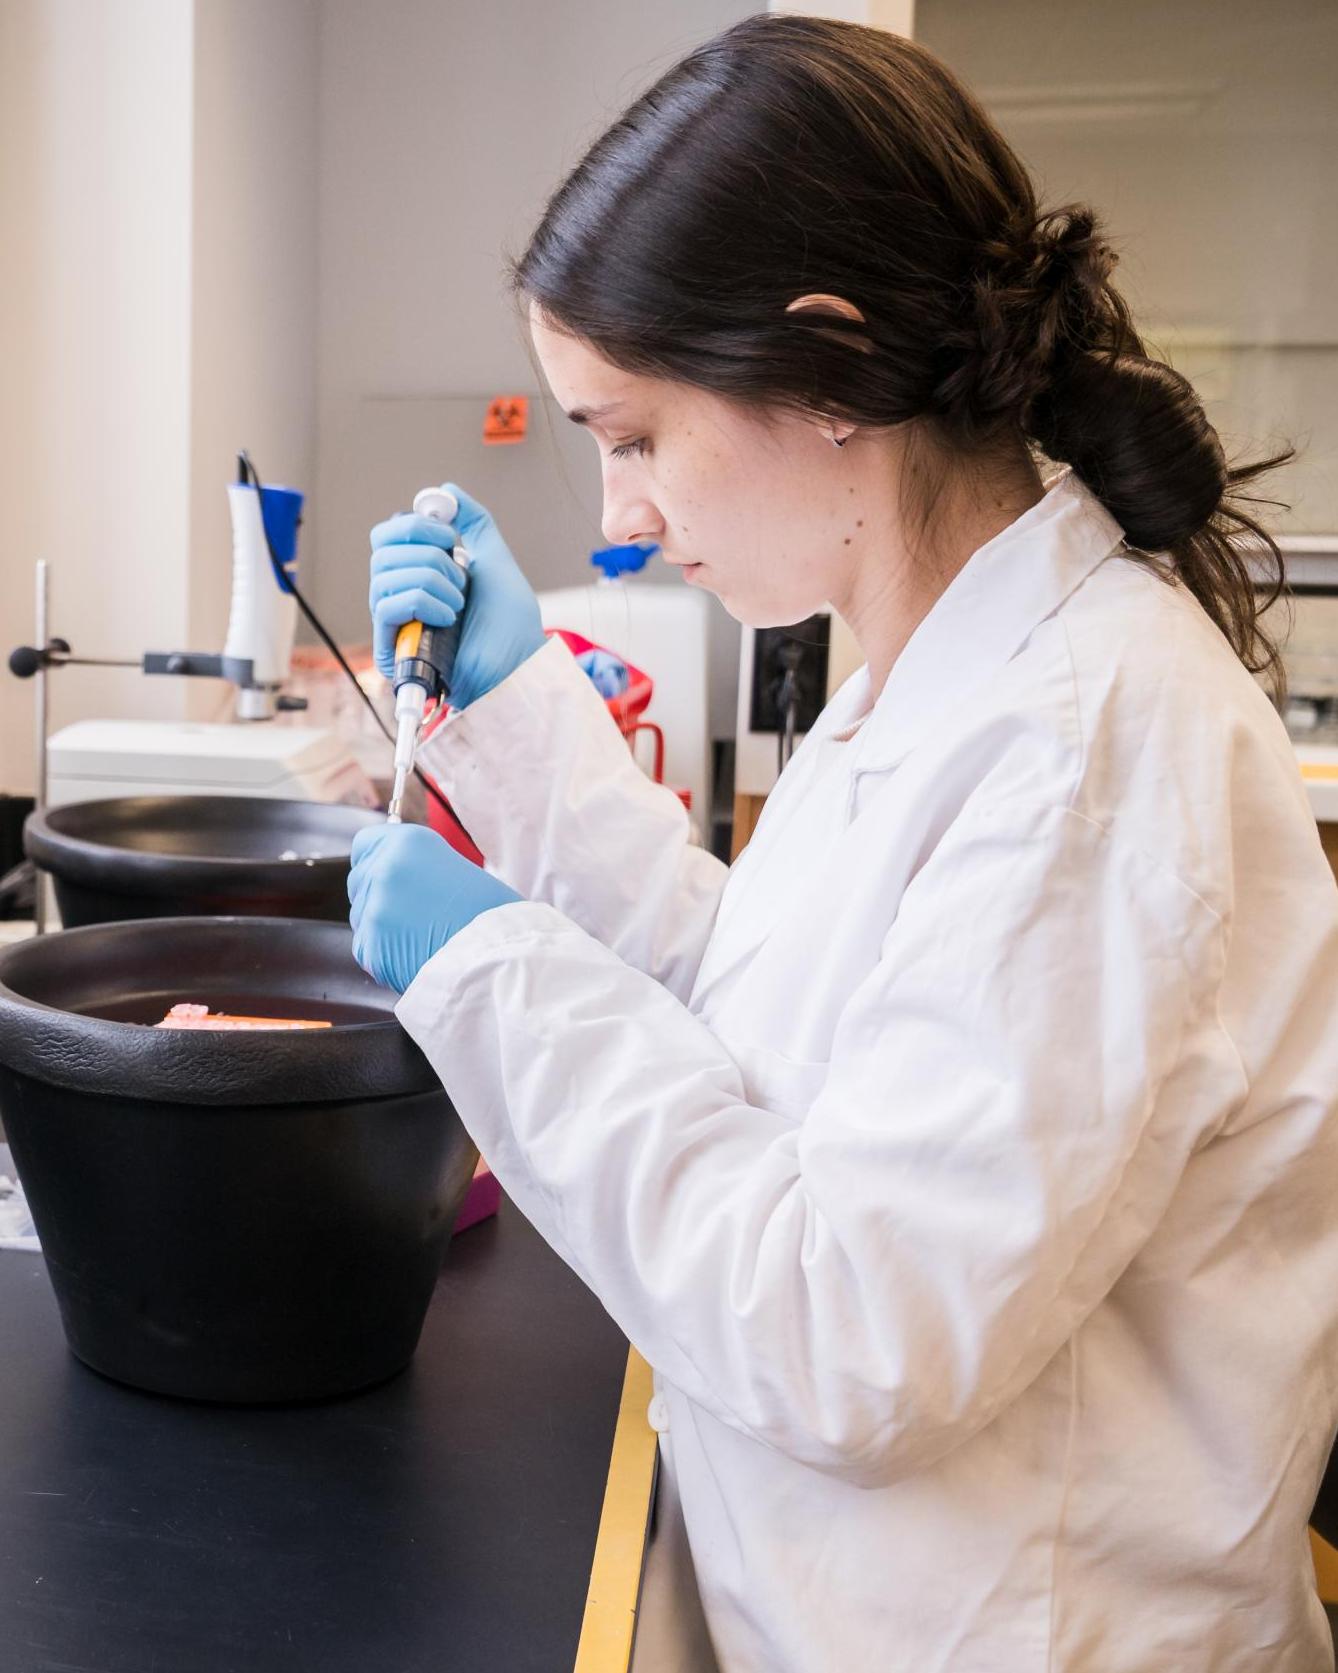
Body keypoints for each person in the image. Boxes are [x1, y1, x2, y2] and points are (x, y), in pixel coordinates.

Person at [347, 15, 1338, 1670]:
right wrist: (519, 716)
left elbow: (847, 1332)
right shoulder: (940, 672)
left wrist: (487, 968)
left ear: (824, 368)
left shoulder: (1085, 742)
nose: (617, 518)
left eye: (635, 435)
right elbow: (762, 1022)